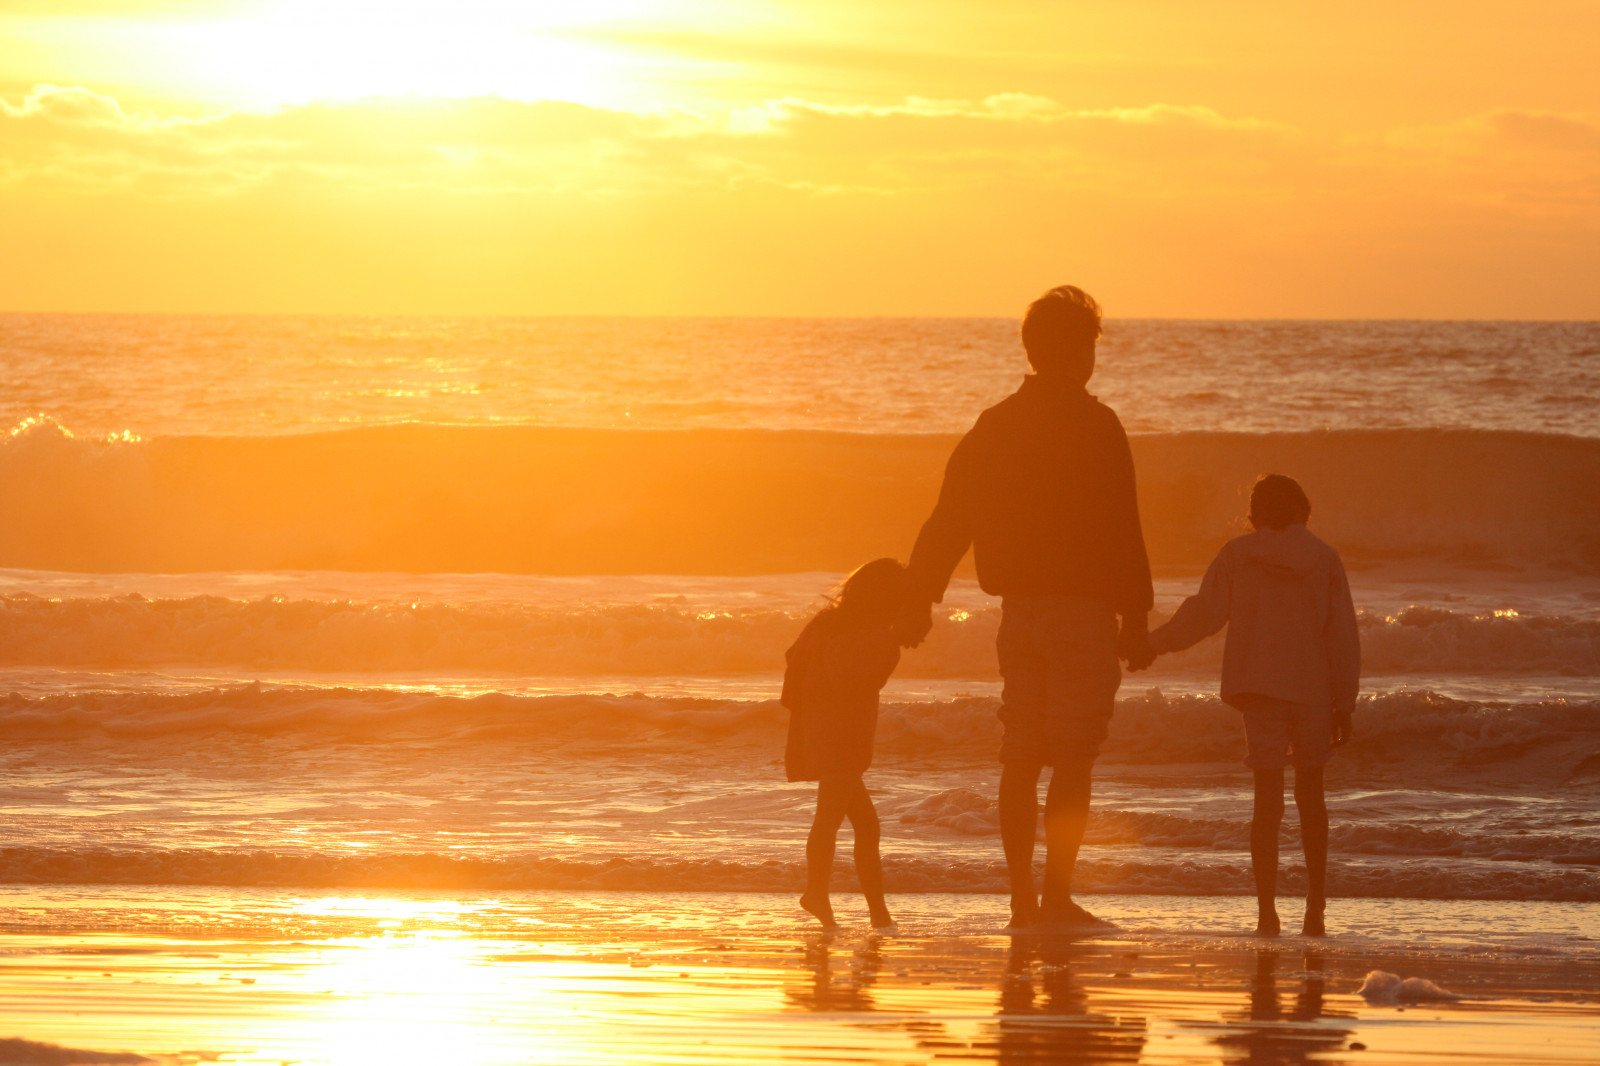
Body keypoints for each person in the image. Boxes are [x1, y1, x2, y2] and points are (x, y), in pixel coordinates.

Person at [900, 285, 1155, 932]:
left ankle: (1022, 901)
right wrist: (1137, 617)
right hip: (1081, 614)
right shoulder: (1096, 424)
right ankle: (1057, 899)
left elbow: (948, 519)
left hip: (1019, 613)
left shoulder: (996, 424)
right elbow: (1122, 526)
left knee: (1021, 753)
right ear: (1080, 351)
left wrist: (919, 596)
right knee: (1073, 756)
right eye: (1092, 346)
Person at [1147, 474, 1360, 937]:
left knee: (1267, 804)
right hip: (1313, 690)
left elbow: (1203, 614)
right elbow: (1340, 635)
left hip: (1259, 689)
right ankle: (1316, 907)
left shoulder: (1238, 555)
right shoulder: (1323, 558)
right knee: (1312, 798)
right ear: (1304, 511)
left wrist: (1154, 644)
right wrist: (1345, 701)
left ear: (1255, 514)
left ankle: (1266, 913)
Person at [782, 558, 905, 931]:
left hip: (822, 727)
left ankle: (878, 916)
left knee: (865, 826)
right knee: (831, 818)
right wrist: (892, 638)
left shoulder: (827, 623)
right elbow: (865, 678)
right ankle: (818, 894)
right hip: (842, 734)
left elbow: (795, 660)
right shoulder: (871, 634)